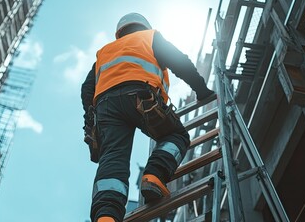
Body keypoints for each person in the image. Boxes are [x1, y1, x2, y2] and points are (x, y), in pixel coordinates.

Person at [81, 12, 215, 222]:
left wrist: (90, 122)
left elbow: (87, 89)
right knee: (176, 136)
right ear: (143, 26)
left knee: (113, 158)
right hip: (141, 95)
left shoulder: (104, 52)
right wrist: (201, 90)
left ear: (119, 32)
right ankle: (154, 175)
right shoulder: (150, 36)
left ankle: (106, 215)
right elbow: (179, 61)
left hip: (105, 106)